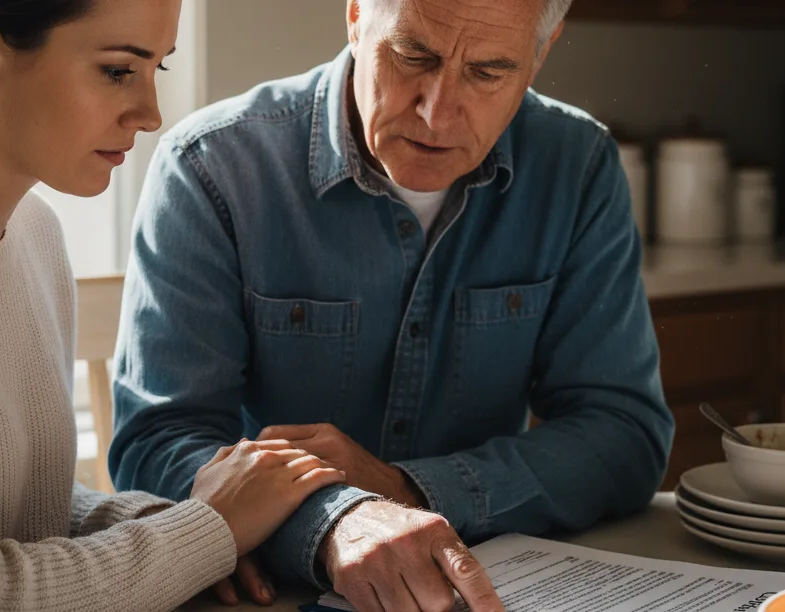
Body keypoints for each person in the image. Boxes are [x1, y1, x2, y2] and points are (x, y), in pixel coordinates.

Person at [112, 0, 676, 609]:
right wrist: (335, 522)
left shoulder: (580, 165)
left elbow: (624, 435)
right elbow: (157, 445)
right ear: (355, 16)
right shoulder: (213, 167)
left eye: (488, 72)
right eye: (413, 56)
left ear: (541, 53)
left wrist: (408, 487)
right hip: (275, 590)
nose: (437, 113)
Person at [0, 0, 348, 610]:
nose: (152, 115)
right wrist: (208, 530)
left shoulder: (34, 231)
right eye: (116, 71)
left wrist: (189, 530)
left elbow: (28, 503)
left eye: (156, 69)